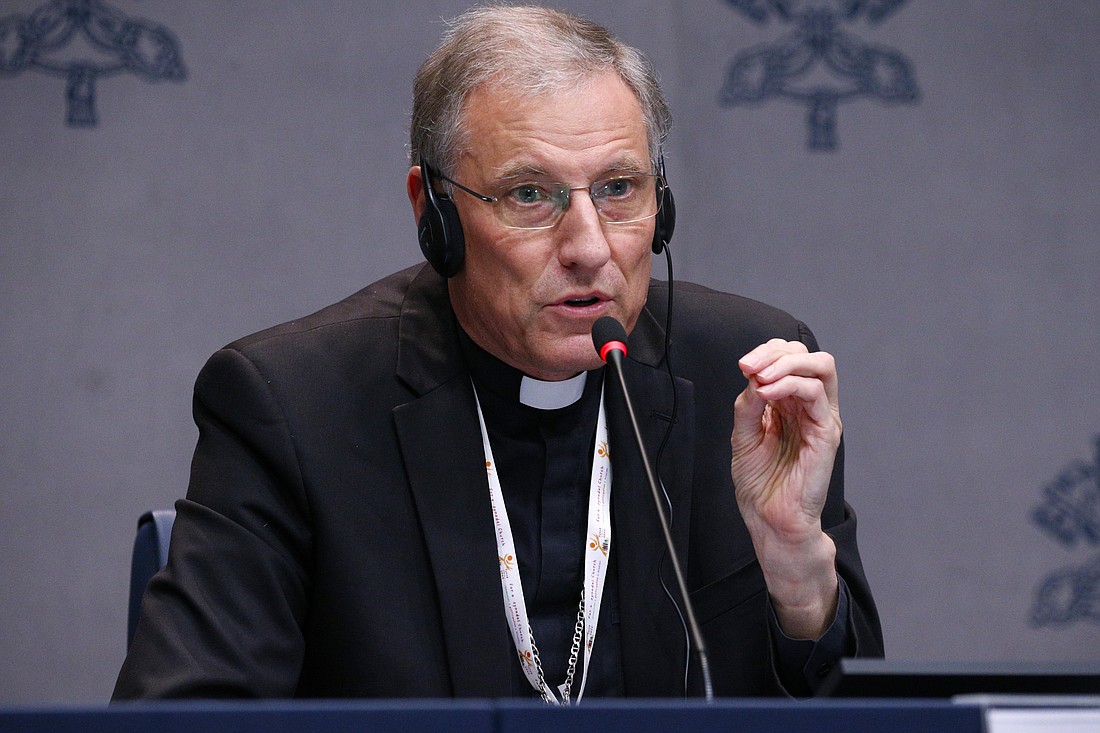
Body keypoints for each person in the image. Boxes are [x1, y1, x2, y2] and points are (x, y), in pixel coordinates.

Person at [114, 4, 882, 702]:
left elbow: (863, 717)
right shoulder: (293, 405)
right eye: (528, 195)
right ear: (434, 213)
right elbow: (185, 714)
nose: (588, 247)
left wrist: (798, 574)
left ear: (663, 206)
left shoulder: (748, 380)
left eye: (619, 188)